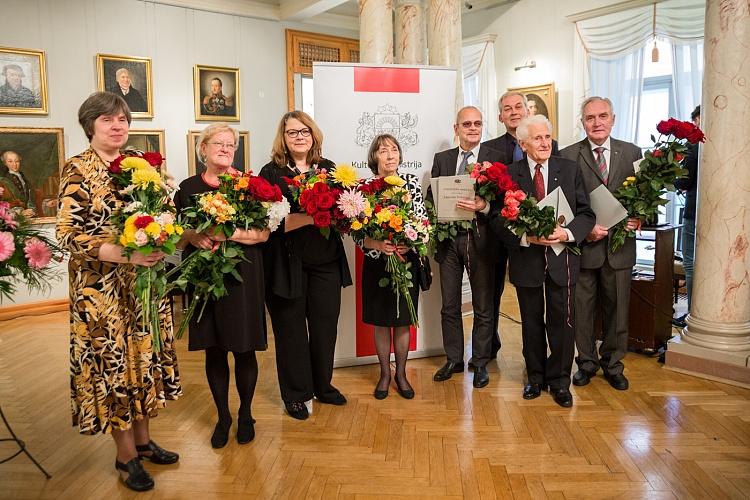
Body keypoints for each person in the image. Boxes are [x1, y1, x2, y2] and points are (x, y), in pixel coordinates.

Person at [56, 92, 181, 492]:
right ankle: (125, 457)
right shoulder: (77, 168)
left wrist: (166, 233)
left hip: (144, 286)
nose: (118, 126)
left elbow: (165, 212)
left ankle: (143, 444)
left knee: (142, 361)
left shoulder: (140, 165)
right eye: (108, 120)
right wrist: (121, 254)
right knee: (113, 367)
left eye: (123, 120)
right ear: (90, 124)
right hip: (101, 291)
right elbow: (66, 234)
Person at [174, 123, 270, 449]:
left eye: (231, 144)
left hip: (244, 276)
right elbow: (177, 234)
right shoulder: (187, 188)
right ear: (203, 149)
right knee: (214, 349)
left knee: (243, 348)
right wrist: (192, 235)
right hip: (204, 278)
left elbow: (263, 234)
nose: (226, 149)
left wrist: (224, 234)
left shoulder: (248, 185)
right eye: (219, 143)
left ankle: (245, 414)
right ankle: (223, 416)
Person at [490, 115, 595, 407]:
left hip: (563, 261)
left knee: (563, 322)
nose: (545, 142)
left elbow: (587, 214)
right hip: (527, 261)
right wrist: (526, 237)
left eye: (547, 137)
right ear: (523, 144)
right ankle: (535, 378)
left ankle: (560, 381)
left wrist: (567, 232)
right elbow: (498, 221)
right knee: (532, 323)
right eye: (537, 138)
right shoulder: (510, 175)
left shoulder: (570, 169)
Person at [259, 110, 352, 420]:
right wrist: (312, 216)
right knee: (291, 332)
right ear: (283, 138)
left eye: (304, 131)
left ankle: (322, 386)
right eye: (292, 132)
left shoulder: (329, 169)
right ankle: (296, 394)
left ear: (313, 135)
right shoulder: (270, 174)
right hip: (286, 264)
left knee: (325, 328)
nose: (299, 136)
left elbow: (341, 214)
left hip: (326, 262)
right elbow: (268, 223)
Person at [560, 96, 643, 391]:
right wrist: (583, 230)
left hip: (620, 248)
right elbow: (563, 205)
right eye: (590, 118)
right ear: (582, 122)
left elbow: (645, 198)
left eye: (602, 116)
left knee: (618, 309)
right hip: (585, 247)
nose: (597, 122)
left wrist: (639, 218)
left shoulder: (632, 152)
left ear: (613, 118)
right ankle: (586, 363)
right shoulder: (568, 155)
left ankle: (613, 365)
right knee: (582, 310)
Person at [481, 92, 560, 363]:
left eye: (518, 107)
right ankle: (488, 347)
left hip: (537, 240)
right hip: (497, 234)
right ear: (500, 116)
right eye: (507, 109)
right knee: (491, 295)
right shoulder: (488, 150)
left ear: (528, 110)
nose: (513, 112)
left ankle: (543, 360)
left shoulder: (551, 146)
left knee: (540, 301)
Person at [430, 106, 503, 389]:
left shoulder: (495, 159)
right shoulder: (443, 159)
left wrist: (484, 206)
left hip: (481, 240)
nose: (473, 128)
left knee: (483, 305)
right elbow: (432, 195)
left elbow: (504, 201)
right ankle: (454, 359)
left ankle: (481, 362)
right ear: (456, 128)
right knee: (449, 305)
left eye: (477, 124)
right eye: (466, 124)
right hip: (449, 241)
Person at [357, 134, 426, 400]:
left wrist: (408, 242)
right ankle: (385, 373)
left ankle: (402, 374)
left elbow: (421, 222)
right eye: (383, 150)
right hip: (377, 263)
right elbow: (356, 230)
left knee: (402, 322)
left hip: (405, 262)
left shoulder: (411, 184)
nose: (390, 155)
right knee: (381, 322)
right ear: (374, 157)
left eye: (394, 149)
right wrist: (376, 242)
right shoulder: (364, 188)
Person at [674, 105, 700, 323]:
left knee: (690, 265)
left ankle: (692, 314)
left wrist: (672, 177)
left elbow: (684, 180)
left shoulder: (693, 146)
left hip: (693, 212)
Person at [1, 150, 35, 217]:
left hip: (30, 213)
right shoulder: (3, 181)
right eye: (10, 161)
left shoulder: (23, 177)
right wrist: (20, 212)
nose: (14, 164)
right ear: (5, 163)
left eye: (17, 161)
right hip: (15, 216)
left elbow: (31, 195)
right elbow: (4, 204)